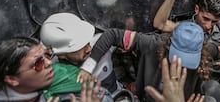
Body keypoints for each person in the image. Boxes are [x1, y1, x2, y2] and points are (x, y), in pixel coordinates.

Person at [77, 22, 212, 102]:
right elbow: (113, 35)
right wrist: (89, 66)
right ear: (169, 45)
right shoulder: (152, 44)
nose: (181, 65)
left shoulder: (204, 60)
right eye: (178, 57)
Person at [40, 13, 133, 99]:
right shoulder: (52, 74)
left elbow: (117, 35)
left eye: (87, 41)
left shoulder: (100, 44)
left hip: (121, 95)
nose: (89, 49)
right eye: (79, 47)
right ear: (61, 55)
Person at [0, 37, 108, 102]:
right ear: (12, 79)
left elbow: (105, 96)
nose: (49, 63)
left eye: (47, 55)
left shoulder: (63, 73)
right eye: (38, 63)